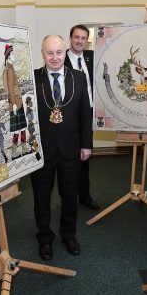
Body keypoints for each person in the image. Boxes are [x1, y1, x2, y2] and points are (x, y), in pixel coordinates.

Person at [31, 35, 92, 261]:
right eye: (50, 53)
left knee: (69, 196)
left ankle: (69, 235)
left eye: (59, 52)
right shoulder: (33, 78)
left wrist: (87, 143)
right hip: (42, 151)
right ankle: (45, 239)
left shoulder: (78, 77)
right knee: (41, 198)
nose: (55, 58)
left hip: (71, 149)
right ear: (42, 53)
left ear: (65, 52)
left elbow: (86, 112)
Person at [64, 24, 99, 210]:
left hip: (89, 115)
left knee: (85, 157)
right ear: (70, 38)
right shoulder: (61, 59)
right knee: (69, 160)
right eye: (76, 37)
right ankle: (69, 198)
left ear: (87, 40)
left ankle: (85, 196)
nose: (79, 41)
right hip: (70, 117)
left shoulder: (92, 57)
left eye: (83, 38)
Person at [3, 44, 29, 159]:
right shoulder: (9, 69)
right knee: (18, 129)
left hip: (18, 101)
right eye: (12, 54)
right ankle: (14, 152)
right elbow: (10, 88)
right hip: (16, 103)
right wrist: (13, 103)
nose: (14, 56)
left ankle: (23, 148)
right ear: (8, 56)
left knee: (22, 127)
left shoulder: (11, 67)